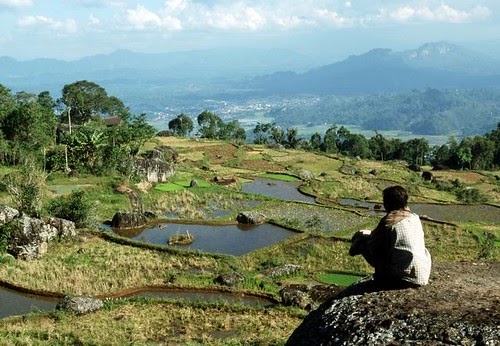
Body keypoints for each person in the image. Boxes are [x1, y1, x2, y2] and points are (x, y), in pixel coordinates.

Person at [337, 186, 432, 298]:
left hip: (402, 278)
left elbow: (376, 247)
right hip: (422, 275)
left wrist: (360, 240)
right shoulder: (414, 217)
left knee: (363, 242)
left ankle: (359, 252)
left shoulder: (389, 222)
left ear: (388, 203)